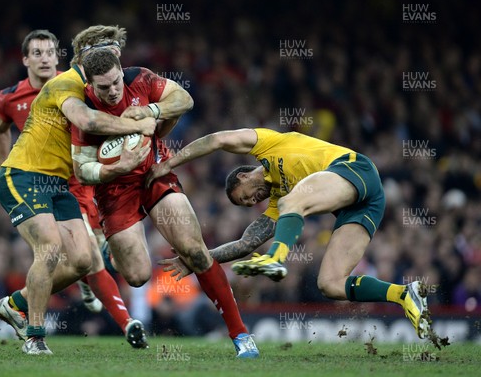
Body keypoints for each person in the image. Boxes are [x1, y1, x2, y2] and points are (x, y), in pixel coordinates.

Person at [148, 127, 431, 339]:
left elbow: (217, 140)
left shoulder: (269, 145)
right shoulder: (277, 204)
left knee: (291, 200)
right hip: (365, 205)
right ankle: (404, 294)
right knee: (330, 283)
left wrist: (172, 162)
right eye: (245, 204)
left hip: (354, 168)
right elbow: (246, 244)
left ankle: (275, 258)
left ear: (244, 176)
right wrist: (197, 260)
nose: (250, 202)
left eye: (244, 197)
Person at [71, 49, 259, 358]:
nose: (113, 90)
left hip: (154, 172)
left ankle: (241, 336)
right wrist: (118, 167)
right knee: (137, 275)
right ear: (90, 84)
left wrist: (150, 112)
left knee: (195, 251)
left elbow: (184, 100)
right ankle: (112, 249)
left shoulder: (138, 79)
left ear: (121, 71)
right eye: (104, 87)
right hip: (114, 191)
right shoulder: (85, 111)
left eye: (116, 82)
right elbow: (82, 170)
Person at [0, 27, 156, 354]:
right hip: (25, 176)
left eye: (115, 51)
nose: (114, 57)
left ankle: (16, 304)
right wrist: (138, 124)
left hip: (59, 184)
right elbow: (87, 122)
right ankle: (35, 337)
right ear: (84, 54)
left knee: (83, 260)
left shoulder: (97, 90)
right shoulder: (65, 83)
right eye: (105, 49)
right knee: (50, 248)